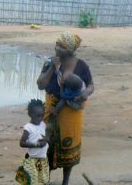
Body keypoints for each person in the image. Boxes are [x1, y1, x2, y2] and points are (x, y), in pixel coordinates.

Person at [37, 31, 94, 185]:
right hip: (51, 111)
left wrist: (84, 94)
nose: (56, 48)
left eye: (60, 46)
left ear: (70, 50)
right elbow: (40, 84)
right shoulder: (50, 62)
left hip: (71, 114)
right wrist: (53, 68)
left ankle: (65, 182)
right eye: (56, 44)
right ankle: (44, 180)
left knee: (69, 148)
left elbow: (91, 85)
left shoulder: (81, 65)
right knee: (46, 148)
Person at [15, 99, 49, 185]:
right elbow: (22, 143)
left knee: (43, 178)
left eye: (42, 115)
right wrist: (37, 144)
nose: (40, 118)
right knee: (32, 180)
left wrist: (47, 140)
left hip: (43, 159)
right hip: (33, 160)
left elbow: (45, 137)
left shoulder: (43, 124)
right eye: (38, 115)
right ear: (30, 114)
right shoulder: (28, 127)